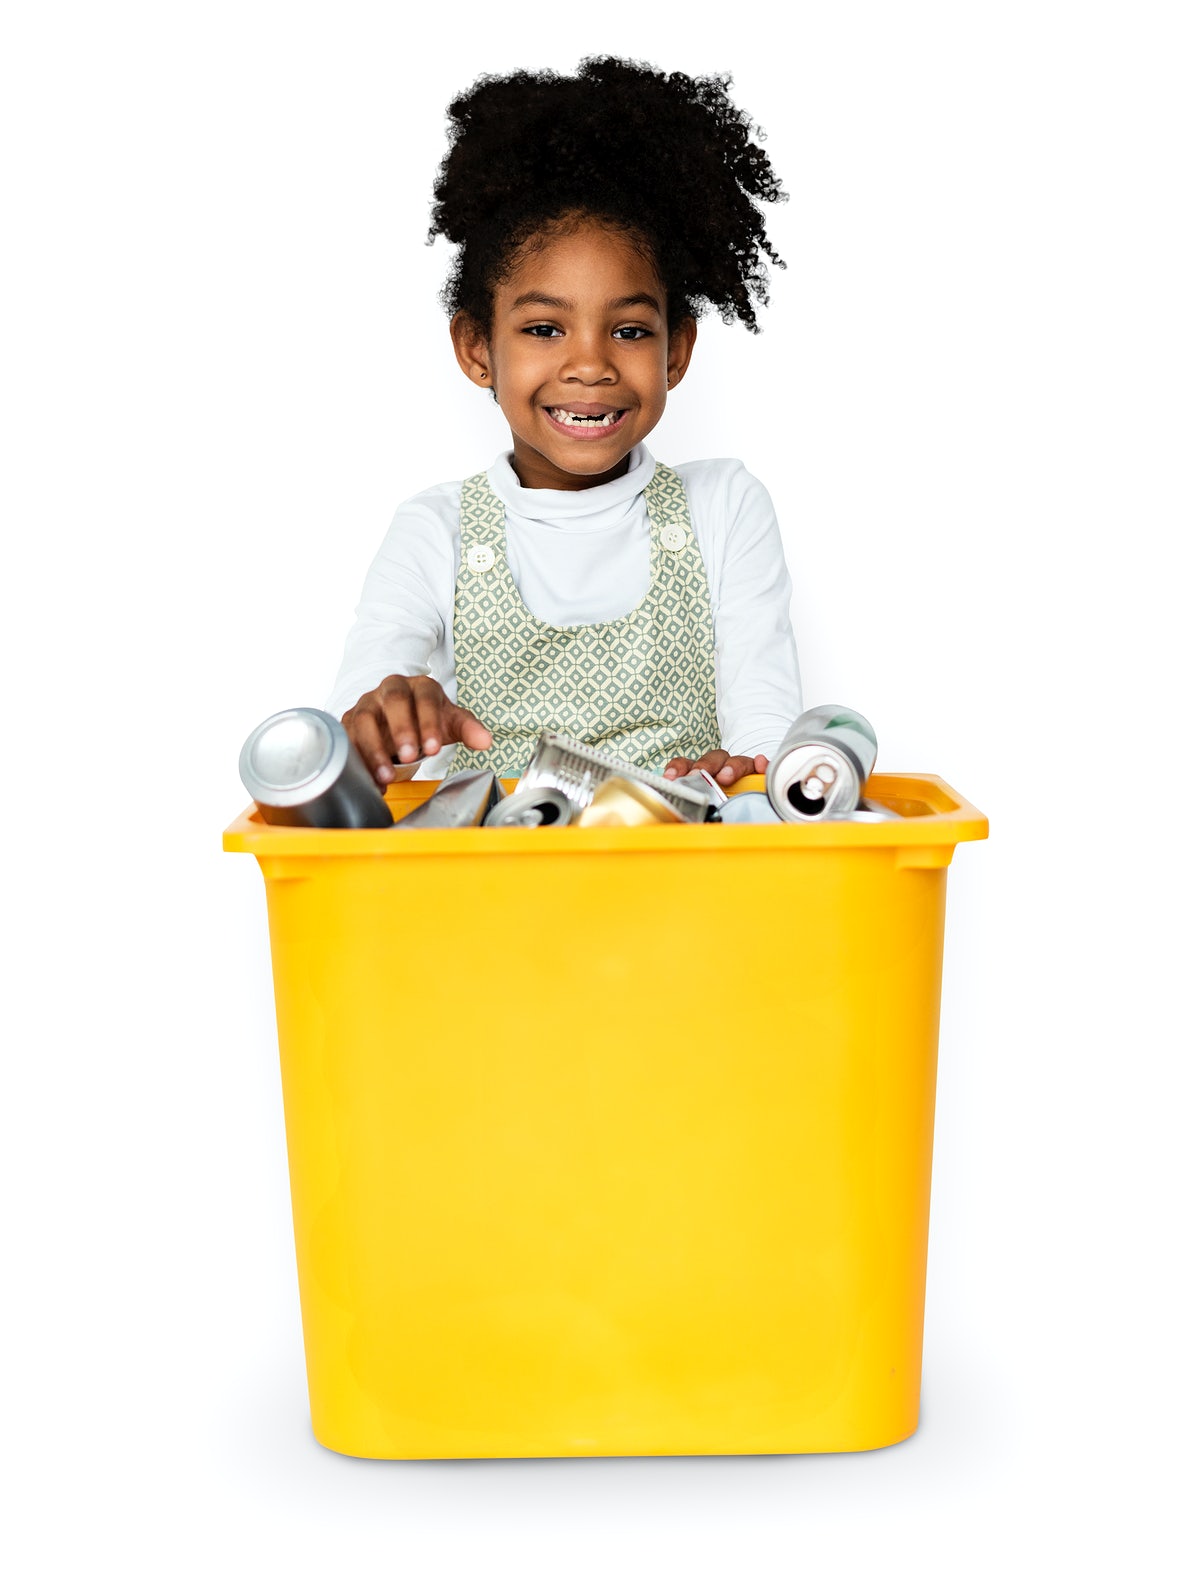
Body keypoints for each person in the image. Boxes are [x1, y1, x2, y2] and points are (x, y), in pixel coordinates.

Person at [327, 56, 803, 789]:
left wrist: (748, 771)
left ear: (676, 351)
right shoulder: (436, 533)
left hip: (684, 893)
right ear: (478, 349)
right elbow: (359, 728)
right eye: (545, 329)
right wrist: (383, 720)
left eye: (632, 331)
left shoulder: (724, 511)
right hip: (488, 899)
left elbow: (768, 731)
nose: (589, 365)